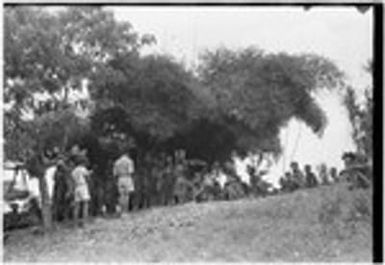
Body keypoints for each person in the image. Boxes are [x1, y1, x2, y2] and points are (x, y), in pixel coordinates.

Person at [113, 150, 135, 215]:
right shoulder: (129, 161)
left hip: (120, 178)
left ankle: (121, 210)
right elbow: (131, 171)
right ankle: (126, 210)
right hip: (127, 177)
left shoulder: (117, 162)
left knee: (121, 195)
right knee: (127, 195)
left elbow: (115, 173)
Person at [71, 157, 92, 227]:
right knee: (85, 205)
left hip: (76, 187)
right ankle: (84, 222)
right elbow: (87, 177)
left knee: (77, 206)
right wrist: (90, 173)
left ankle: (75, 223)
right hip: (83, 186)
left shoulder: (74, 171)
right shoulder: (83, 169)